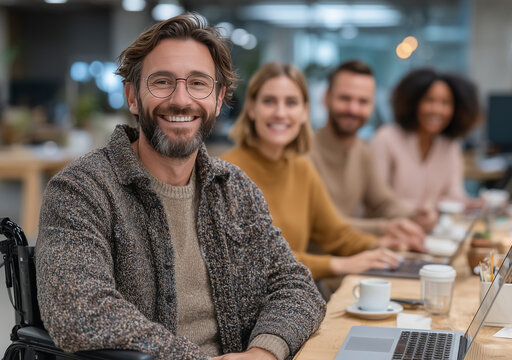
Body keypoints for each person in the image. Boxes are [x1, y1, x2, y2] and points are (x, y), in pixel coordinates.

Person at [35, 14, 325, 360]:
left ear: (218, 100)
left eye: (199, 84)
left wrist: (263, 352)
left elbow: (296, 286)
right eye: (161, 82)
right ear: (132, 96)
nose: (181, 100)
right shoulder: (81, 190)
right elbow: (78, 311)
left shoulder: (235, 189)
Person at [222, 62, 421, 288]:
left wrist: (382, 246)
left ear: (304, 112)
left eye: (291, 102)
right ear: (251, 108)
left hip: (293, 294)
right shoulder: (230, 172)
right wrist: (339, 264)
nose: (280, 113)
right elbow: (257, 259)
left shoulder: (301, 167)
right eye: (269, 101)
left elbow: (336, 233)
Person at [309, 60, 438, 241]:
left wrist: (416, 215)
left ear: (371, 106)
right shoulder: (304, 152)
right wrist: (384, 228)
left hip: (354, 256)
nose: (353, 109)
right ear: (326, 99)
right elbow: (321, 223)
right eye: (345, 98)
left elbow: (382, 202)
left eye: (363, 101)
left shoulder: (362, 151)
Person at [370, 67, 481, 210]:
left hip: (435, 230)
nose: (437, 109)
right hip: (390, 229)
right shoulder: (385, 139)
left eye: (445, 103)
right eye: (429, 100)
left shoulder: (450, 145)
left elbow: (454, 195)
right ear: (413, 103)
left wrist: (473, 204)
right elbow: (376, 200)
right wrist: (425, 208)